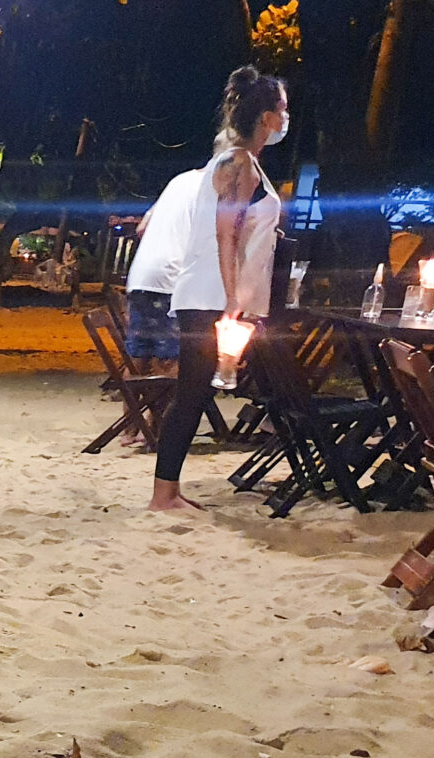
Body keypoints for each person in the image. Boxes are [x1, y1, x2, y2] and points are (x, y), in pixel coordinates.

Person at [150, 65, 287, 512]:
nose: (287, 117)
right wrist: (232, 301)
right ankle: (163, 494)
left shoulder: (237, 161)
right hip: (211, 294)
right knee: (192, 391)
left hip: (212, 291)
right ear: (267, 117)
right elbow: (224, 232)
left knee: (195, 391)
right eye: (283, 109)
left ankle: (167, 490)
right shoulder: (238, 163)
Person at [123, 167, 205, 373]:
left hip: (141, 276)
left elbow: (142, 228)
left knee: (139, 352)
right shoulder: (212, 189)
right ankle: (165, 405)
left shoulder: (179, 180)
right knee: (169, 356)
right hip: (169, 278)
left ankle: (131, 404)